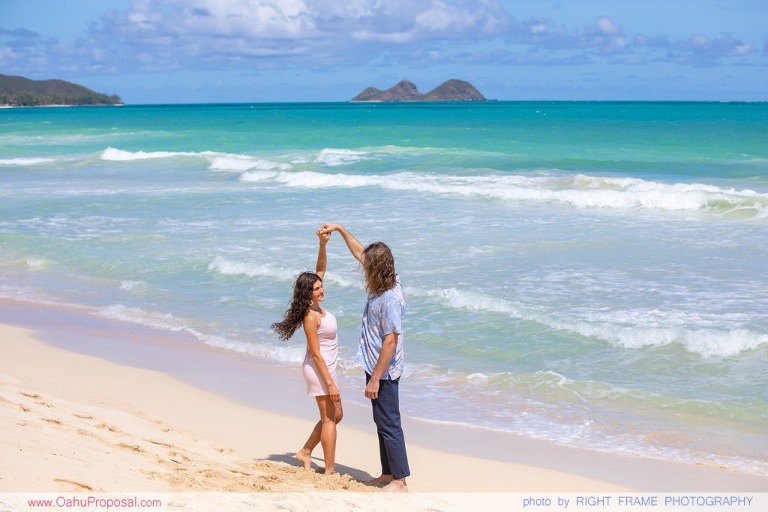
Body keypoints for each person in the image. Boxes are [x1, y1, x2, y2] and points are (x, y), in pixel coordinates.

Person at [319, 223, 410, 492]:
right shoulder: (384, 281)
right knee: (381, 420)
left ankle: (400, 480)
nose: (362, 267)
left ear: (376, 269)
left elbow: (390, 341)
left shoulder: (390, 298)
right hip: (375, 366)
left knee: (390, 422)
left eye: (367, 265)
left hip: (385, 370)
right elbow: (359, 251)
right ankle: (387, 473)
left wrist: (376, 380)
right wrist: (340, 229)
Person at [271, 229, 342, 475]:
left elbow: (320, 267)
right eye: (317, 289)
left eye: (321, 286)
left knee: (336, 415)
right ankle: (330, 471)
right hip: (318, 369)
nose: (322, 290)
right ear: (308, 293)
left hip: (328, 367)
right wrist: (330, 384)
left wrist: (323, 244)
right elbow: (316, 353)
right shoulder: (310, 317)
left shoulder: (317, 306)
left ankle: (305, 451)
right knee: (329, 419)